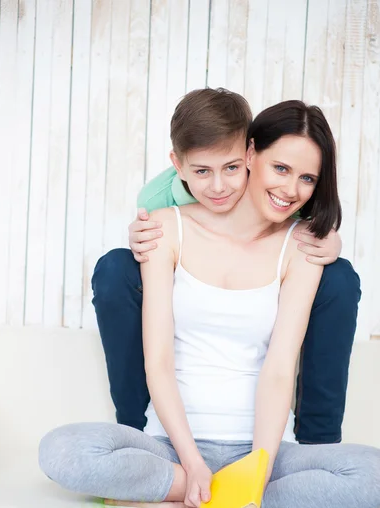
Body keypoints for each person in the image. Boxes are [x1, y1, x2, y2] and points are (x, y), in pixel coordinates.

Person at [39, 96, 380, 508]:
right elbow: (158, 361)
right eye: (281, 169)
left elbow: (278, 371)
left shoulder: (302, 245)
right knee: (61, 450)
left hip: (260, 450)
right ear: (252, 154)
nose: (291, 189)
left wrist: (258, 468)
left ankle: (222, 495)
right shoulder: (165, 224)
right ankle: (198, 489)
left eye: (307, 178)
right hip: (171, 447)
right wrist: (192, 465)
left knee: (373, 475)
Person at [91, 89, 361, 445]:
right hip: (176, 268)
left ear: (245, 155)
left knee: (339, 276)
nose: (218, 186)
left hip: (276, 273)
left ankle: (318, 444)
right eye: (203, 171)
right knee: (114, 268)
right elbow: (164, 211)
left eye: (231, 168)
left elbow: (298, 207)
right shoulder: (161, 204)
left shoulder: (286, 203)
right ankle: (135, 431)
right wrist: (140, 234)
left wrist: (330, 239)